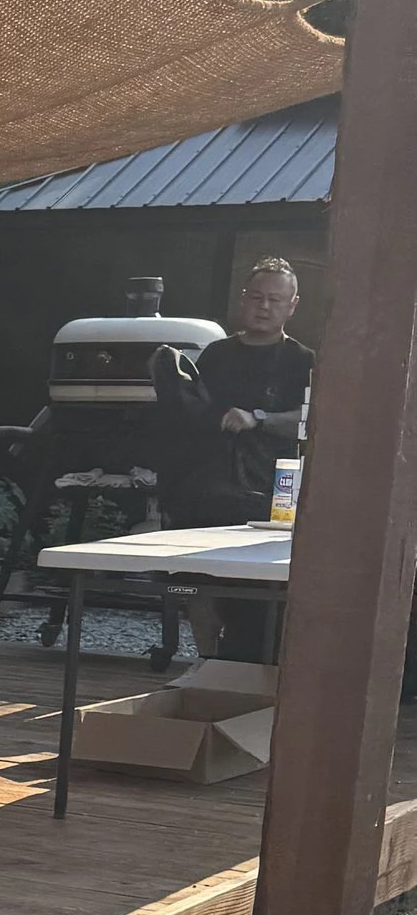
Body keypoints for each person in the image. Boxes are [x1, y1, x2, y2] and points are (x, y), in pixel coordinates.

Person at [151, 254, 315, 662]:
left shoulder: (303, 361)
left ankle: (254, 672)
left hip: (270, 489)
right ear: (243, 299)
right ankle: (205, 664)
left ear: (292, 306)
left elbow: (313, 418)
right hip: (205, 487)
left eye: (275, 300)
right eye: (257, 296)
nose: (265, 306)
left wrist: (258, 418)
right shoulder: (215, 355)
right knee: (195, 583)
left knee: (259, 593)